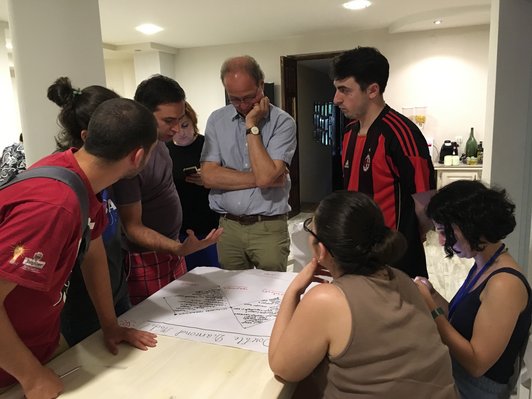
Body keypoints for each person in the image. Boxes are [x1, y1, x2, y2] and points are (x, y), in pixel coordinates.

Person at [0, 98, 158, 398]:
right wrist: (31, 376)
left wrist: (110, 325)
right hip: (10, 370)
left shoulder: (77, 178)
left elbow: (92, 252)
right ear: (138, 157)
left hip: (41, 345)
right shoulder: (54, 206)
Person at [268, 191, 457, 398]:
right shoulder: (400, 277)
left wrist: (294, 290)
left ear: (321, 250)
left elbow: (283, 368)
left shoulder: (327, 299)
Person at [414, 180, 532, 399]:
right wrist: (433, 294)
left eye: (443, 231)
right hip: (461, 379)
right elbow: (464, 322)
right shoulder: (484, 265)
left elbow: (477, 363)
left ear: (469, 225)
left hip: (477, 390)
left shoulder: (505, 283)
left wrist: (432, 309)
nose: (441, 241)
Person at [113, 75, 222, 304]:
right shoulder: (131, 157)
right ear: (143, 113)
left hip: (171, 252)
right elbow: (132, 226)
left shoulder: (161, 145)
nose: (176, 129)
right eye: (169, 120)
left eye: (181, 120)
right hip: (145, 259)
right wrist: (178, 248)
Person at [332, 46, 435, 278]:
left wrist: (410, 238)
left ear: (372, 90)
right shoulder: (349, 132)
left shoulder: (401, 132)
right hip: (357, 250)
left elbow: (424, 200)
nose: (336, 99)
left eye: (344, 90)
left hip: (395, 255)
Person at [47, 76, 132, 346]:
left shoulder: (103, 180)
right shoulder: (59, 191)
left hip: (114, 291)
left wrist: (111, 322)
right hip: (80, 308)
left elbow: (96, 248)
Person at [201, 55, 297, 271]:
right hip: (228, 227)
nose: (243, 105)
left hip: (268, 227)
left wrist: (251, 125)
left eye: (249, 97)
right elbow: (208, 176)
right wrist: (267, 178)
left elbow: (265, 176)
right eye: (234, 99)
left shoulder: (283, 122)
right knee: (232, 295)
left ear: (261, 85)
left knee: (270, 297)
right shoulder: (217, 120)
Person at [166, 101, 220, 270]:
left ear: (193, 123)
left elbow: (225, 178)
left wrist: (208, 179)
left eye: (185, 125)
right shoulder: (164, 150)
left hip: (208, 220)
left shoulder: (209, 146)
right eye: (176, 128)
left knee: (213, 272)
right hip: (179, 224)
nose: (181, 132)